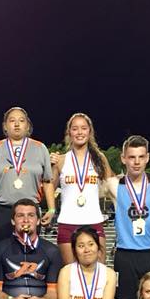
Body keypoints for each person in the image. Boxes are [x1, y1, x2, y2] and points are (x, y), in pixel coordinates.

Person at [110, 136, 150, 299]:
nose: (136, 162)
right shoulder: (113, 184)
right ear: (123, 158)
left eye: (141, 157)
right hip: (125, 254)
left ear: (147, 158)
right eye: (131, 157)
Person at [0, 107, 56, 246]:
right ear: (5, 126)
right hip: (1, 210)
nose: (16, 124)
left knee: (28, 254)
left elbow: (47, 181)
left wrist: (51, 209)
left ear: (27, 126)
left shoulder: (40, 148)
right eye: (12, 120)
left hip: (30, 211)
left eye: (21, 120)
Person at [50, 113, 115, 264]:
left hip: (93, 221)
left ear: (89, 132)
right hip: (67, 223)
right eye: (75, 129)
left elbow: (113, 186)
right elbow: (49, 190)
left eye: (83, 128)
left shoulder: (99, 158)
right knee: (71, 276)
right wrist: (50, 166)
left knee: (98, 275)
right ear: (69, 133)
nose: (79, 132)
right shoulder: (60, 160)